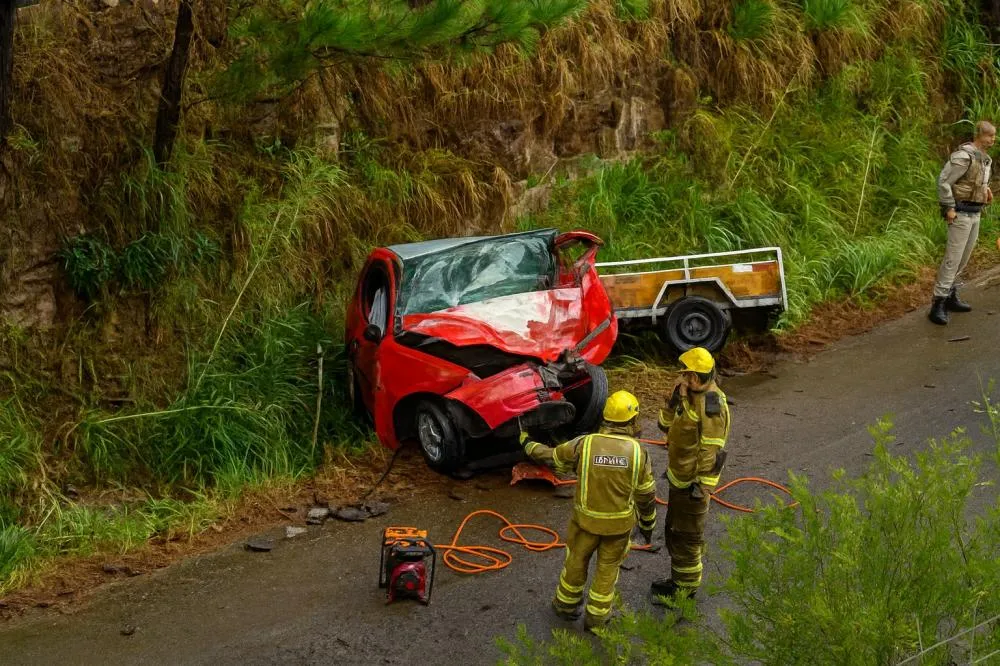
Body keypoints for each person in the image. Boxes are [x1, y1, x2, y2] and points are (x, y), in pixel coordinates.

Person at [521, 390, 656, 632]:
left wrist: (527, 443)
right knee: (607, 571)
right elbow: (646, 494)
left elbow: (553, 457)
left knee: (575, 563)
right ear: (632, 421)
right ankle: (596, 620)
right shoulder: (638, 452)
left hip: (584, 524)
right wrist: (647, 524)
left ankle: (564, 606)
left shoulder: (585, 444)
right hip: (618, 529)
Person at [650, 347, 730, 602]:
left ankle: (684, 592)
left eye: (685, 375)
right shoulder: (689, 395)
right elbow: (664, 424)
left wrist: (700, 487)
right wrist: (675, 399)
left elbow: (711, 451)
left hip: (692, 486)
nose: (681, 378)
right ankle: (678, 581)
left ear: (696, 377)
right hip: (679, 478)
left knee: (687, 537)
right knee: (675, 530)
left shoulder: (711, 405)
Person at [930, 120, 995, 325]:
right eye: (989, 136)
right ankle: (938, 302)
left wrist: (986, 191)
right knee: (952, 258)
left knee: (964, 258)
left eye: (994, 136)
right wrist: (948, 207)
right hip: (960, 212)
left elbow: (976, 181)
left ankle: (951, 294)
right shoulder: (963, 156)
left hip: (975, 213)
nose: (993, 140)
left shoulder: (985, 160)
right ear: (979, 135)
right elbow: (944, 181)